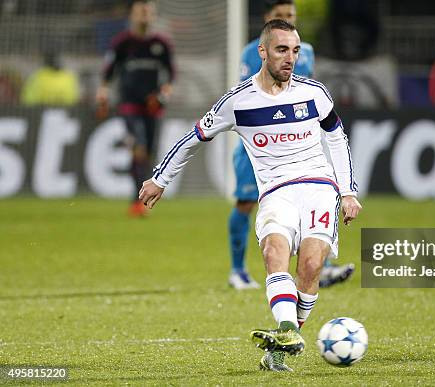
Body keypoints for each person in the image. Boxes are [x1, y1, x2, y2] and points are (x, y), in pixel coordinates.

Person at [139, 19, 362, 372]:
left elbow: (336, 137)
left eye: (295, 50)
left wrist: (348, 191)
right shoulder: (238, 101)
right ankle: (288, 331)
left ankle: (285, 339)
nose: (290, 58)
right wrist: (160, 179)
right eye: (281, 50)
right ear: (262, 51)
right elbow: (193, 137)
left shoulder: (314, 93)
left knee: (310, 267)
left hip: (319, 188)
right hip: (275, 192)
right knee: (275, 253)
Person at [229, 0, 354, 290]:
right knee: (246, 202)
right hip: (262, 144)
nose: (287, 20)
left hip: (298, 139)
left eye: (291, 16)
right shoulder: (252, 52)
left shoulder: (306, 51)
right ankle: (237, 270)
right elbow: (249, 97)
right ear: (268, 20)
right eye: (281, 16)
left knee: (314, 193)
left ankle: (321, 267)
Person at [96, 0, 175, 217]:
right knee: (138, 146)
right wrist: (102, 91)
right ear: (132, 15)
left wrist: (164, 93)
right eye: (141, 12)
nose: (144, 16)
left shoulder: (162, 44)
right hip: (129, 104)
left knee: (146, 153)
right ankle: (138, 202)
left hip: (152, 107)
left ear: (153, 16)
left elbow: (170, 75)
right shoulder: (122, 43)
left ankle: (137, 198)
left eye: (148, 12)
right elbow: (108, 71)